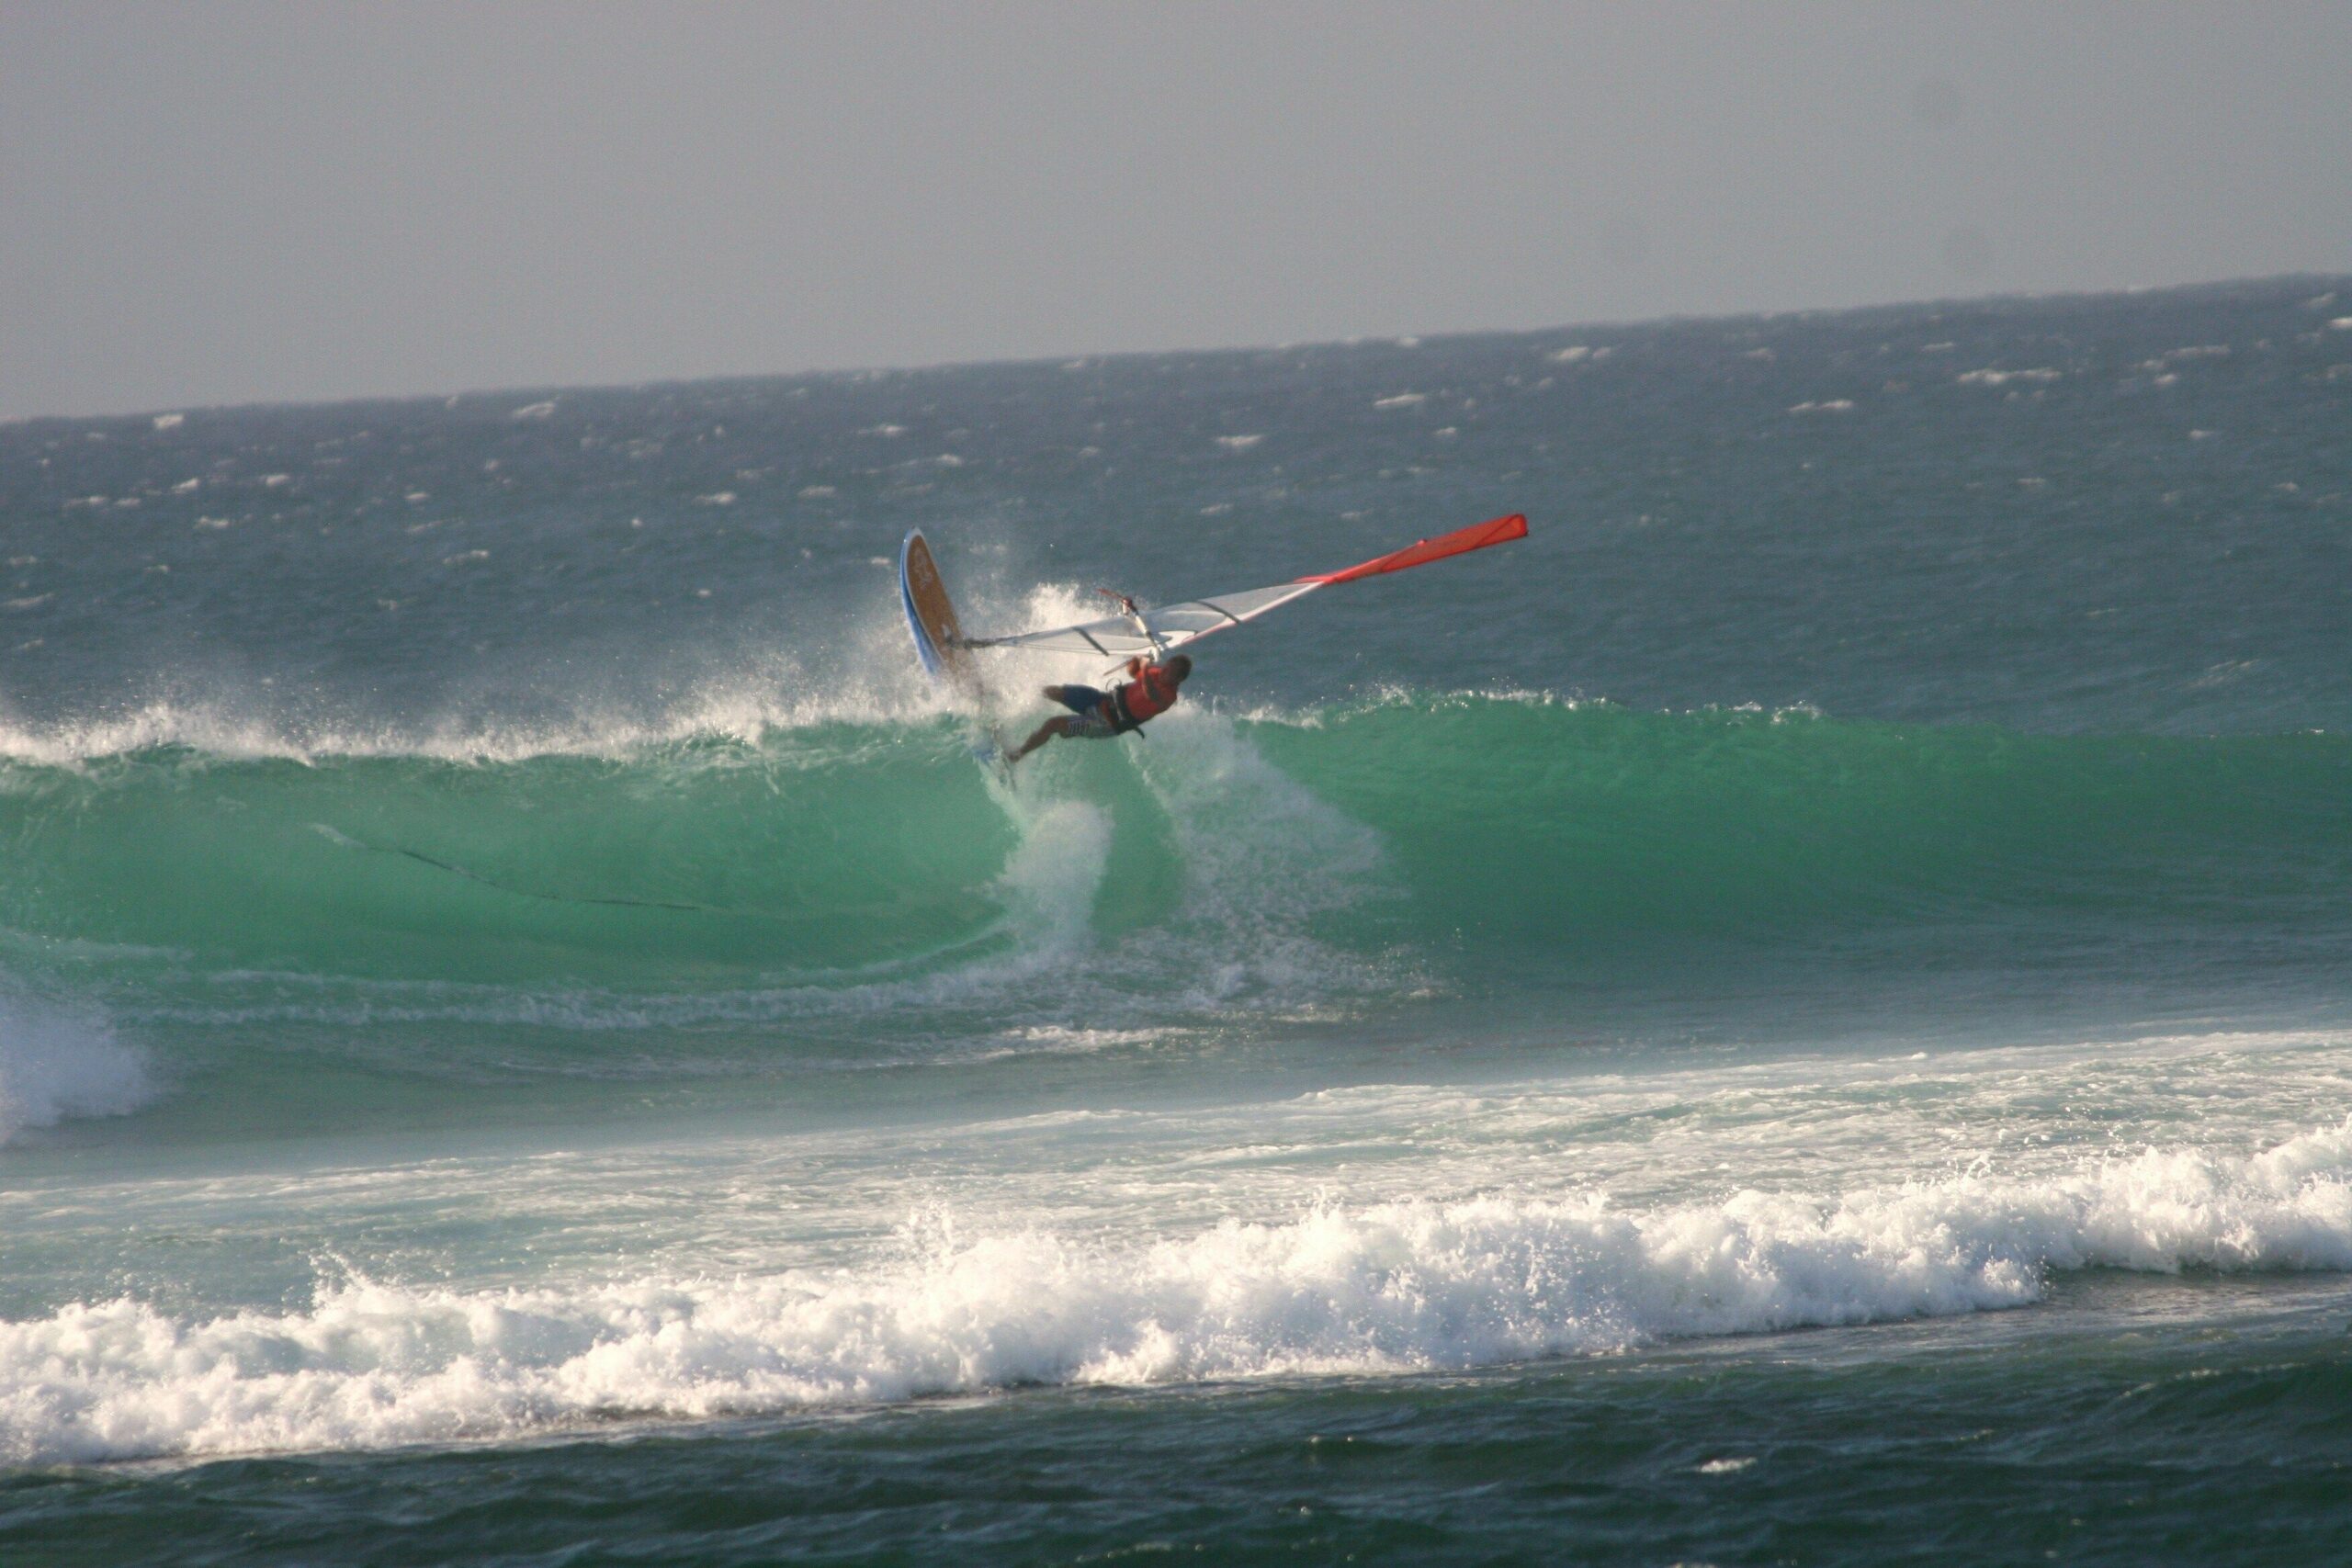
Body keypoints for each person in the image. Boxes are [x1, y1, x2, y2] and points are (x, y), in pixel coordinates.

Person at [1008, 653, 1192, 764]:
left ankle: (1017, 756)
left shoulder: (1168, 697)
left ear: (1179, 679)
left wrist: (1145, 668)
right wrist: (1136, 661)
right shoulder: (1155, 672)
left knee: (1053, 724)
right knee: (1053, 691)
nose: (1165, 673)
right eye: (1166, 668)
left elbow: (1149, 692)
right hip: (1101, 701)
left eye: (1170, 673)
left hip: (1105, 724)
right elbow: (1133, 672)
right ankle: (1007, 701)